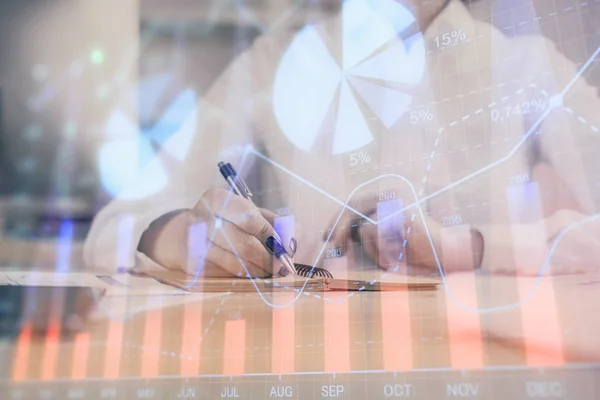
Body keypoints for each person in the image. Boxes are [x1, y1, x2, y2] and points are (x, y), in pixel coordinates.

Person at [84, 0, 600, 279]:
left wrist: (477, 247)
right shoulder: (270, 66)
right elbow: (116, 226)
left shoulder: (527, 68)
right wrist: (181, 237)